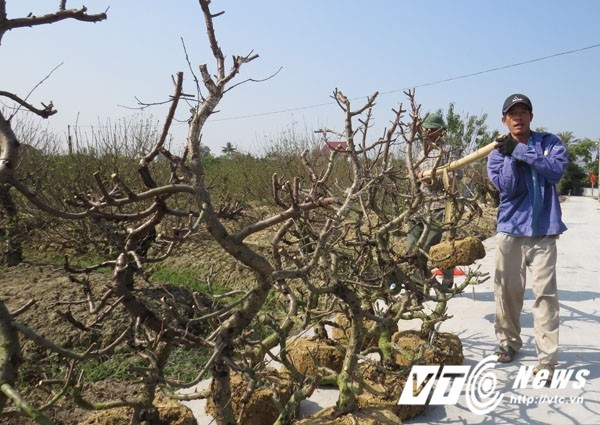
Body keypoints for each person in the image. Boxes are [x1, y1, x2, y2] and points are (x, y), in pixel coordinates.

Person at [486, 94, 568, 378]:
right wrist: (509, 155)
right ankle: (508, 342)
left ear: (531, 117)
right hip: (510, 230)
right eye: (513, 114)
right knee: (507, 292)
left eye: (523, 112)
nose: (518, 118)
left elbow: (555, 172)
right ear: (504, 120)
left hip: (544, 231)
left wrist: (521, 152)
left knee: (545, 295)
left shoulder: (550, 143)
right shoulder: (496, 153)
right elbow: (507, 188)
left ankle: (547, 357)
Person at [407, 113, 459, 290]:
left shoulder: (449, 150)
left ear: (439, 131)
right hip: (420, 205)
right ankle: (419, 285)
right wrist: (417, 178)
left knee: (430, 247)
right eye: (425, 130)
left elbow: (455, 175)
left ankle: (443, 277)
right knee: (412, 249)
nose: (426, 133)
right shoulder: (422, 152)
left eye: (430, 130)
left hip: (440, 205)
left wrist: (432, 179)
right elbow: (417, 174)